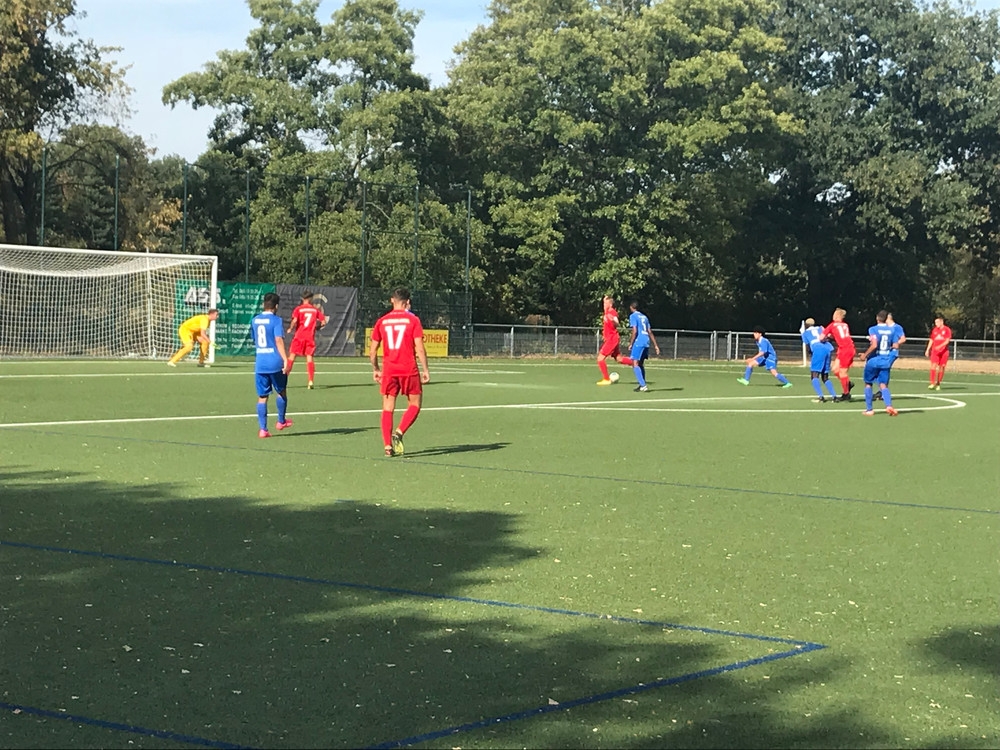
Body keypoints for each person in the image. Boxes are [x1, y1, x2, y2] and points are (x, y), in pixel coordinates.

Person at [370, 287, 430, 457]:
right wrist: (425, 369)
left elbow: (373, 351)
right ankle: (399, 431)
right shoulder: (413, 320)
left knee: (387, 408)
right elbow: (419, 348)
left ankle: (387, 447)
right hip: (409, 369)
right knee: (415, 405)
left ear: (392, 300)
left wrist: (376, 369)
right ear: (407, 302)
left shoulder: (382, 321)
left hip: (389, 370)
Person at [252, 293, 292, 438]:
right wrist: (285, 359)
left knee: (262, 396)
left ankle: (263, 430)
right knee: (281, 391)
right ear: (276, 306)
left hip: (260, 363)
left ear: (264, 304)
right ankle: (281, 421)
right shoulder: (276, 320)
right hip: (274, 362)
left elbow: (255, 339)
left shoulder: (255, 320)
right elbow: (278, 340)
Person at [859, 309, 902, 417]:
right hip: (885, 361)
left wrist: (865, 355)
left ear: (877, 318)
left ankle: (869, 409)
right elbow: (896, 345)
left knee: (868, 383)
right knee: (883, 385)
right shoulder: (892, 330)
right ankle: (889, 405)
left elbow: (874, 344)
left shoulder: (873, 329)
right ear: (886, 319)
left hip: (873, 361)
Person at [285, 291, 328, 389]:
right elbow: (323, 322)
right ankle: (310, 381)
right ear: (311, 299)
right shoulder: (315, 310)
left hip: (299, 336)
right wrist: (317, 327)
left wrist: (290, 328)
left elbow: (295, 320)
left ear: (302, 299)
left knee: (291, 357)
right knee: (309, 358)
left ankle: (284, 379)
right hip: (309, 337)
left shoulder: (298, 309)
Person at [596, 295, 636, 385]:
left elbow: (617, 322)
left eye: (605, 303)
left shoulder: (611, 311)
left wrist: (613, 321)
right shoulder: (606, 312)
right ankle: (635, 363)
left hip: (612, 339)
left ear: (610, 304)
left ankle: (606, 379)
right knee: (619, 359)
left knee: (600, 358)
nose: (604, 304)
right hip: (611, 339)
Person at [626, 301, 660, 392]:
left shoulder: (633, 316)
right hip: (646, 341)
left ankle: (643, 385)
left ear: (631, 307)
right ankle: (641, 384)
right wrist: (656, 345)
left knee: (635, 363)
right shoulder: (644, 317)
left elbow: (635, 331)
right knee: (640, 364)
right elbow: (649, 331)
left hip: (639, 341)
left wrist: (631, 343)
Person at [823, 308, 856, 401]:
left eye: (834, 314)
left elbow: (821, 337)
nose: (833, 316)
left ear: (837, 316)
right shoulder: (845, 325)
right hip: (843, 349)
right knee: (835, 369)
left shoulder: (832, 325)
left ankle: (846, 394)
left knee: (842, 372)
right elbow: (840, 335)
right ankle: (848, 383)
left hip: (846, 350)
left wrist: (823, 339)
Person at [802, 317, 838, 402]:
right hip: (827, 349)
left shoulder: (805, 333)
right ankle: (834, 396)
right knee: (825, 376)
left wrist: (811, 354)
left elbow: (808, 347)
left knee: (814, 375)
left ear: (806, 325)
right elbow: (829, 336)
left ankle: (821, 397)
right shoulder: (820, 328)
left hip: (818, 349)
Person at [874, 312, 905, 401]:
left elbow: (903, 338)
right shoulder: (886, 328)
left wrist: (895, 344)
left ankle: (883, 392)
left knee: (884, 369)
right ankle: (882, 390)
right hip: (884, 353)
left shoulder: (896, 327)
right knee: (880, 370)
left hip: (892, 353)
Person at [925, 314, 952, 390]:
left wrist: (940, 346)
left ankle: (938, 383)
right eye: (935, 322)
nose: (936, 324)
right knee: (933, 365)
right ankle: (932, 383)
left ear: (941, 322)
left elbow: (947, 341)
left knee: (941, 367)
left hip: (944, 352)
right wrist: (927, 349)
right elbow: (931, 340)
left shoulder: (947, 330)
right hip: (935, 351)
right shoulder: (935, 330)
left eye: (937, 322)